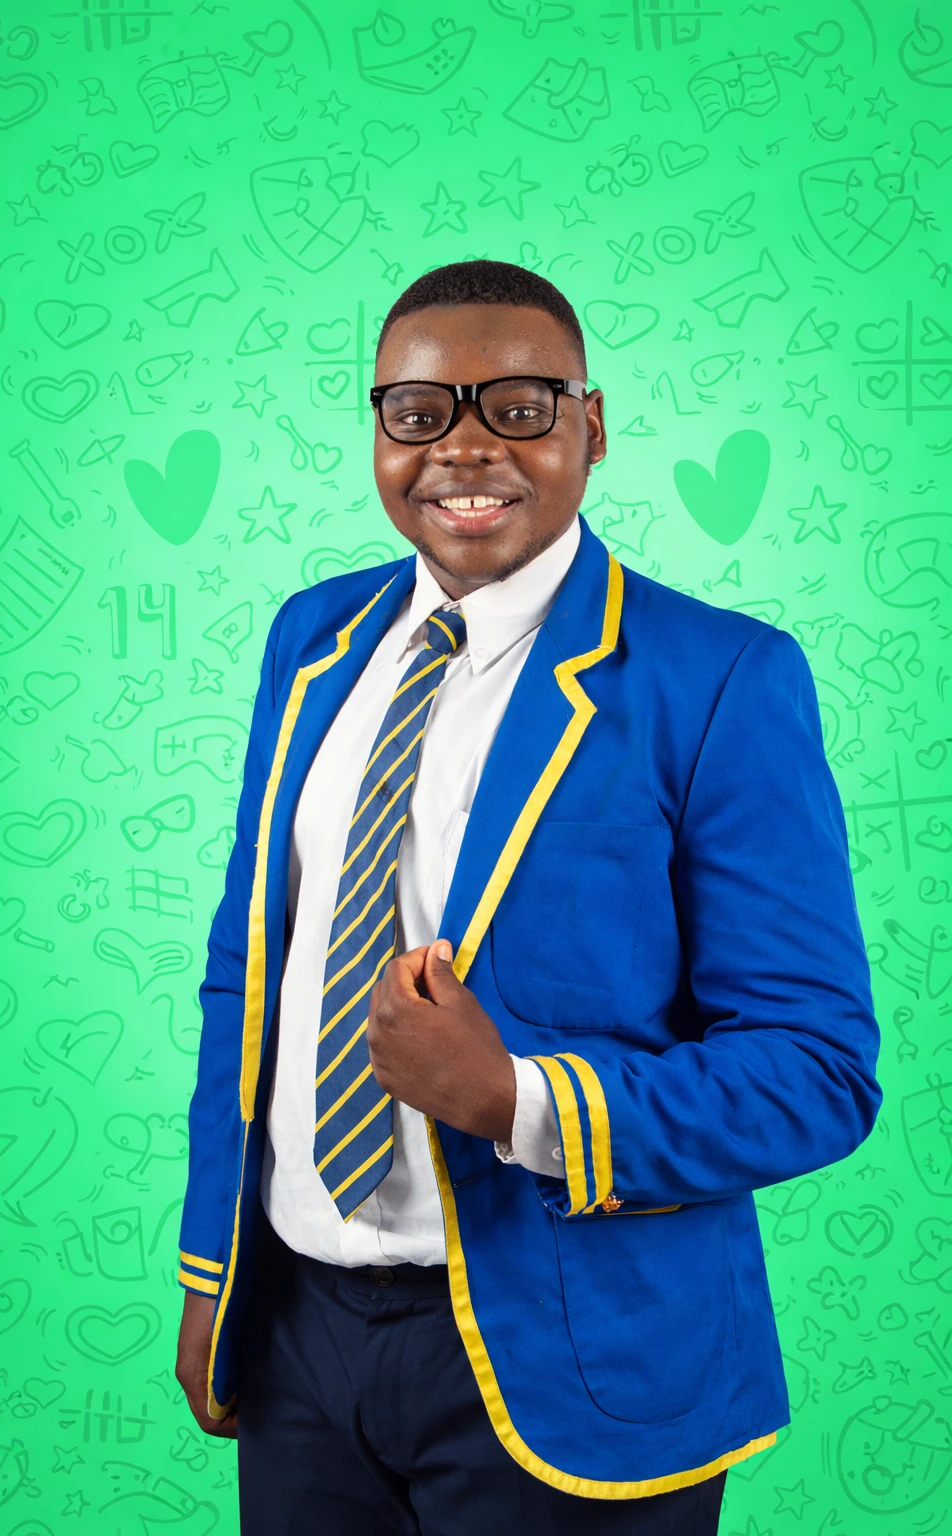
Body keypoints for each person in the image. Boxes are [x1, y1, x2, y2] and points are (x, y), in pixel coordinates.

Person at [175, 260, 881, 1535]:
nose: (462, 448)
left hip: (585, 1354)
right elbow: (249, 973)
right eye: (418, 412)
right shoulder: (310, 639)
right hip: (296, 1340)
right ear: (378, 431)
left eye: (517, 406)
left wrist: (515, 1099)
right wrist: (209, 1274)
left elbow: (815, 1071)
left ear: (590, 427)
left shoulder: (719, 679)